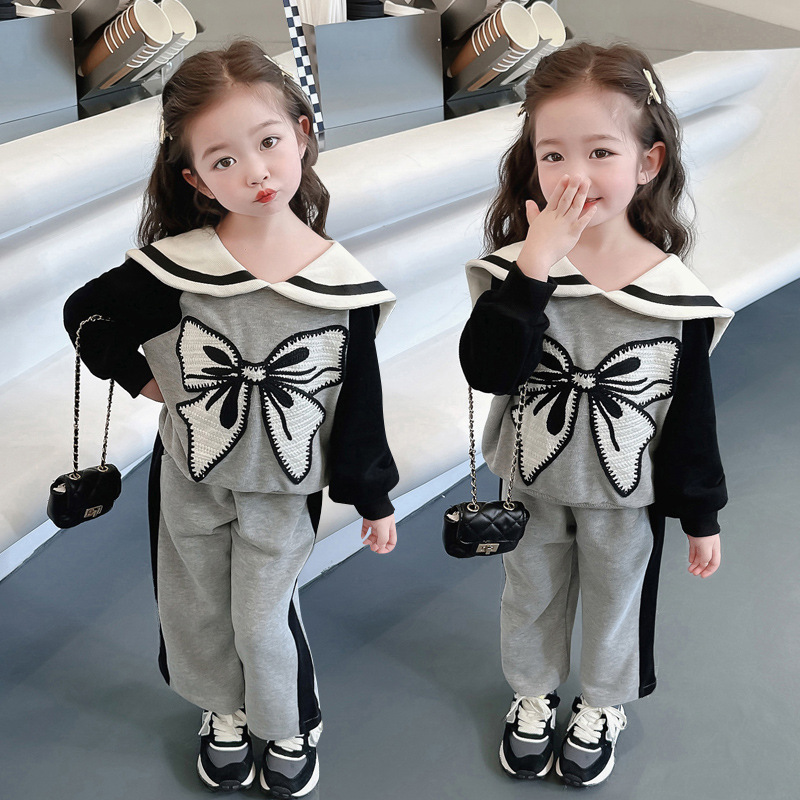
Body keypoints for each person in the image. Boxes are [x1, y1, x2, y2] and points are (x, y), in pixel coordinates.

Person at [64, 40, 399, 798]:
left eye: (269, 142)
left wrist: (372, 496)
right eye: (223, 160)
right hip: (189, 480)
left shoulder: (342, 287)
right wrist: (142, 378)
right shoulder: (173, 270)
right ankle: (224, 710)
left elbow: (357, 403)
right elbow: (87, 312)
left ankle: (287, 722)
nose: (254, 171)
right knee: (196, 610)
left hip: (283, 488)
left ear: (303, 134)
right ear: (195, 178)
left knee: (261, 615)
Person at [459, 43, 733, 788]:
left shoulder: (676, 297)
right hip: (532, 487)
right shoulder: (516, 272)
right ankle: (533, 694)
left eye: (601, 151)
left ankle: (602, 705)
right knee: (530, 598)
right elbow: (487, 370)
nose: (573, 176)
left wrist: (701, 513)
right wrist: (534, 266)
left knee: (617, 606)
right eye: (553, 155)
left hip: (626, 497)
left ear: (648, 162)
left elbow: (690, 417)